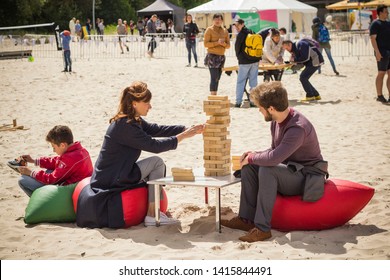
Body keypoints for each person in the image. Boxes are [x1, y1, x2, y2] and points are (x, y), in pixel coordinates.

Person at [221, 81, 328, 242]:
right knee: (251, 167)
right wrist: (254, 155)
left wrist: (252, 157)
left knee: (267, 168)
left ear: (271, 108)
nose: (259, 110)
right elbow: (274, 150)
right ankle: (246, 220)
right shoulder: (276, 121)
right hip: (291, 169)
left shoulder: (297, 128)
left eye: (260, 107)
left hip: (307, 176)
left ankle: (263, 229)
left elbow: (274, 159)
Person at [89, 81, 205, 226]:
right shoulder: (125, 126)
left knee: (155, 163)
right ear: (134, 103)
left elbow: (156, 129)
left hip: (117, 172)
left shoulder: (131, 120)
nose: (150, 106)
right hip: (112, 179)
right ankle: (152, 215)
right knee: (157, 162)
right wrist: (183, 136)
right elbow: (154, 146)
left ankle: (153, 211)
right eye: (147, 103)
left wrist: (186, 129)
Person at [7, 125, 93, 197]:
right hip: (79, 187)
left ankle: (42, 205)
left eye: (54, 147)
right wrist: (34, 161)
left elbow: (51, 179)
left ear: (62, 145)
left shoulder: (69, 158)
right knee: (50, 170)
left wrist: (31, 172)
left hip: (69, 192)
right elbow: (57, 161)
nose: (53, 151)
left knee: (23, 180)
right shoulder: (80, 150)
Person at [234, 18, 260, 108]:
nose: (236, 27)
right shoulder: (252, 31)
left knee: (241, 81)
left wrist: (239, 58)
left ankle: (238, 101)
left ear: (242, 24)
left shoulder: (241, 34)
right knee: (253, 82)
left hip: (244, 62)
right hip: (255, 61)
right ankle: (253, 102)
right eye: (235, 25)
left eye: (238, 25)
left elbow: (237, 48)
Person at [204, 13, 230, 95]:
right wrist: (217, 43)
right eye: (216, 19)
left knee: (218, 78)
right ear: (213, 20)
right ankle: (213, 95)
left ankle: (215, 93)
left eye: (219, 19)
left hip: (221, 57)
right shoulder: (209, 30)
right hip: (212, 56)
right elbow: (206, 44)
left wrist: (223, 44)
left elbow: (228, 45)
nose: (218, 21)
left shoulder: (225, 31)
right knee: (214, 77)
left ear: (222, 21)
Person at [369, 5, 390, 103]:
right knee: (381, 73)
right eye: (386, 11)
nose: (388, 13)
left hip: (389, 51)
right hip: (382, 52)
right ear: (380, 12)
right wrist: (377, 52)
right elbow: (373, 39)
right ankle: (379, 95)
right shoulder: (375, 24)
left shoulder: (388, 23)